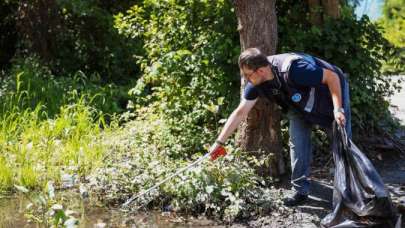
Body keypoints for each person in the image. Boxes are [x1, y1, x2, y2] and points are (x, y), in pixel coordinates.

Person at [209, 47, 352, 206]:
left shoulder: (295, 69)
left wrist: (338, 109)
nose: (246, 80)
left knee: (341, 143)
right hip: (298, 105)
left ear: (261, 71)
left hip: (329, 91)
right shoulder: (256, 83)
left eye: (248, 75)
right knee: (297, 144)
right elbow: (240, 113)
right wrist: (219, 143)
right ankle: (300, 191)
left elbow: (331, 78)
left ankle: (348, 190)